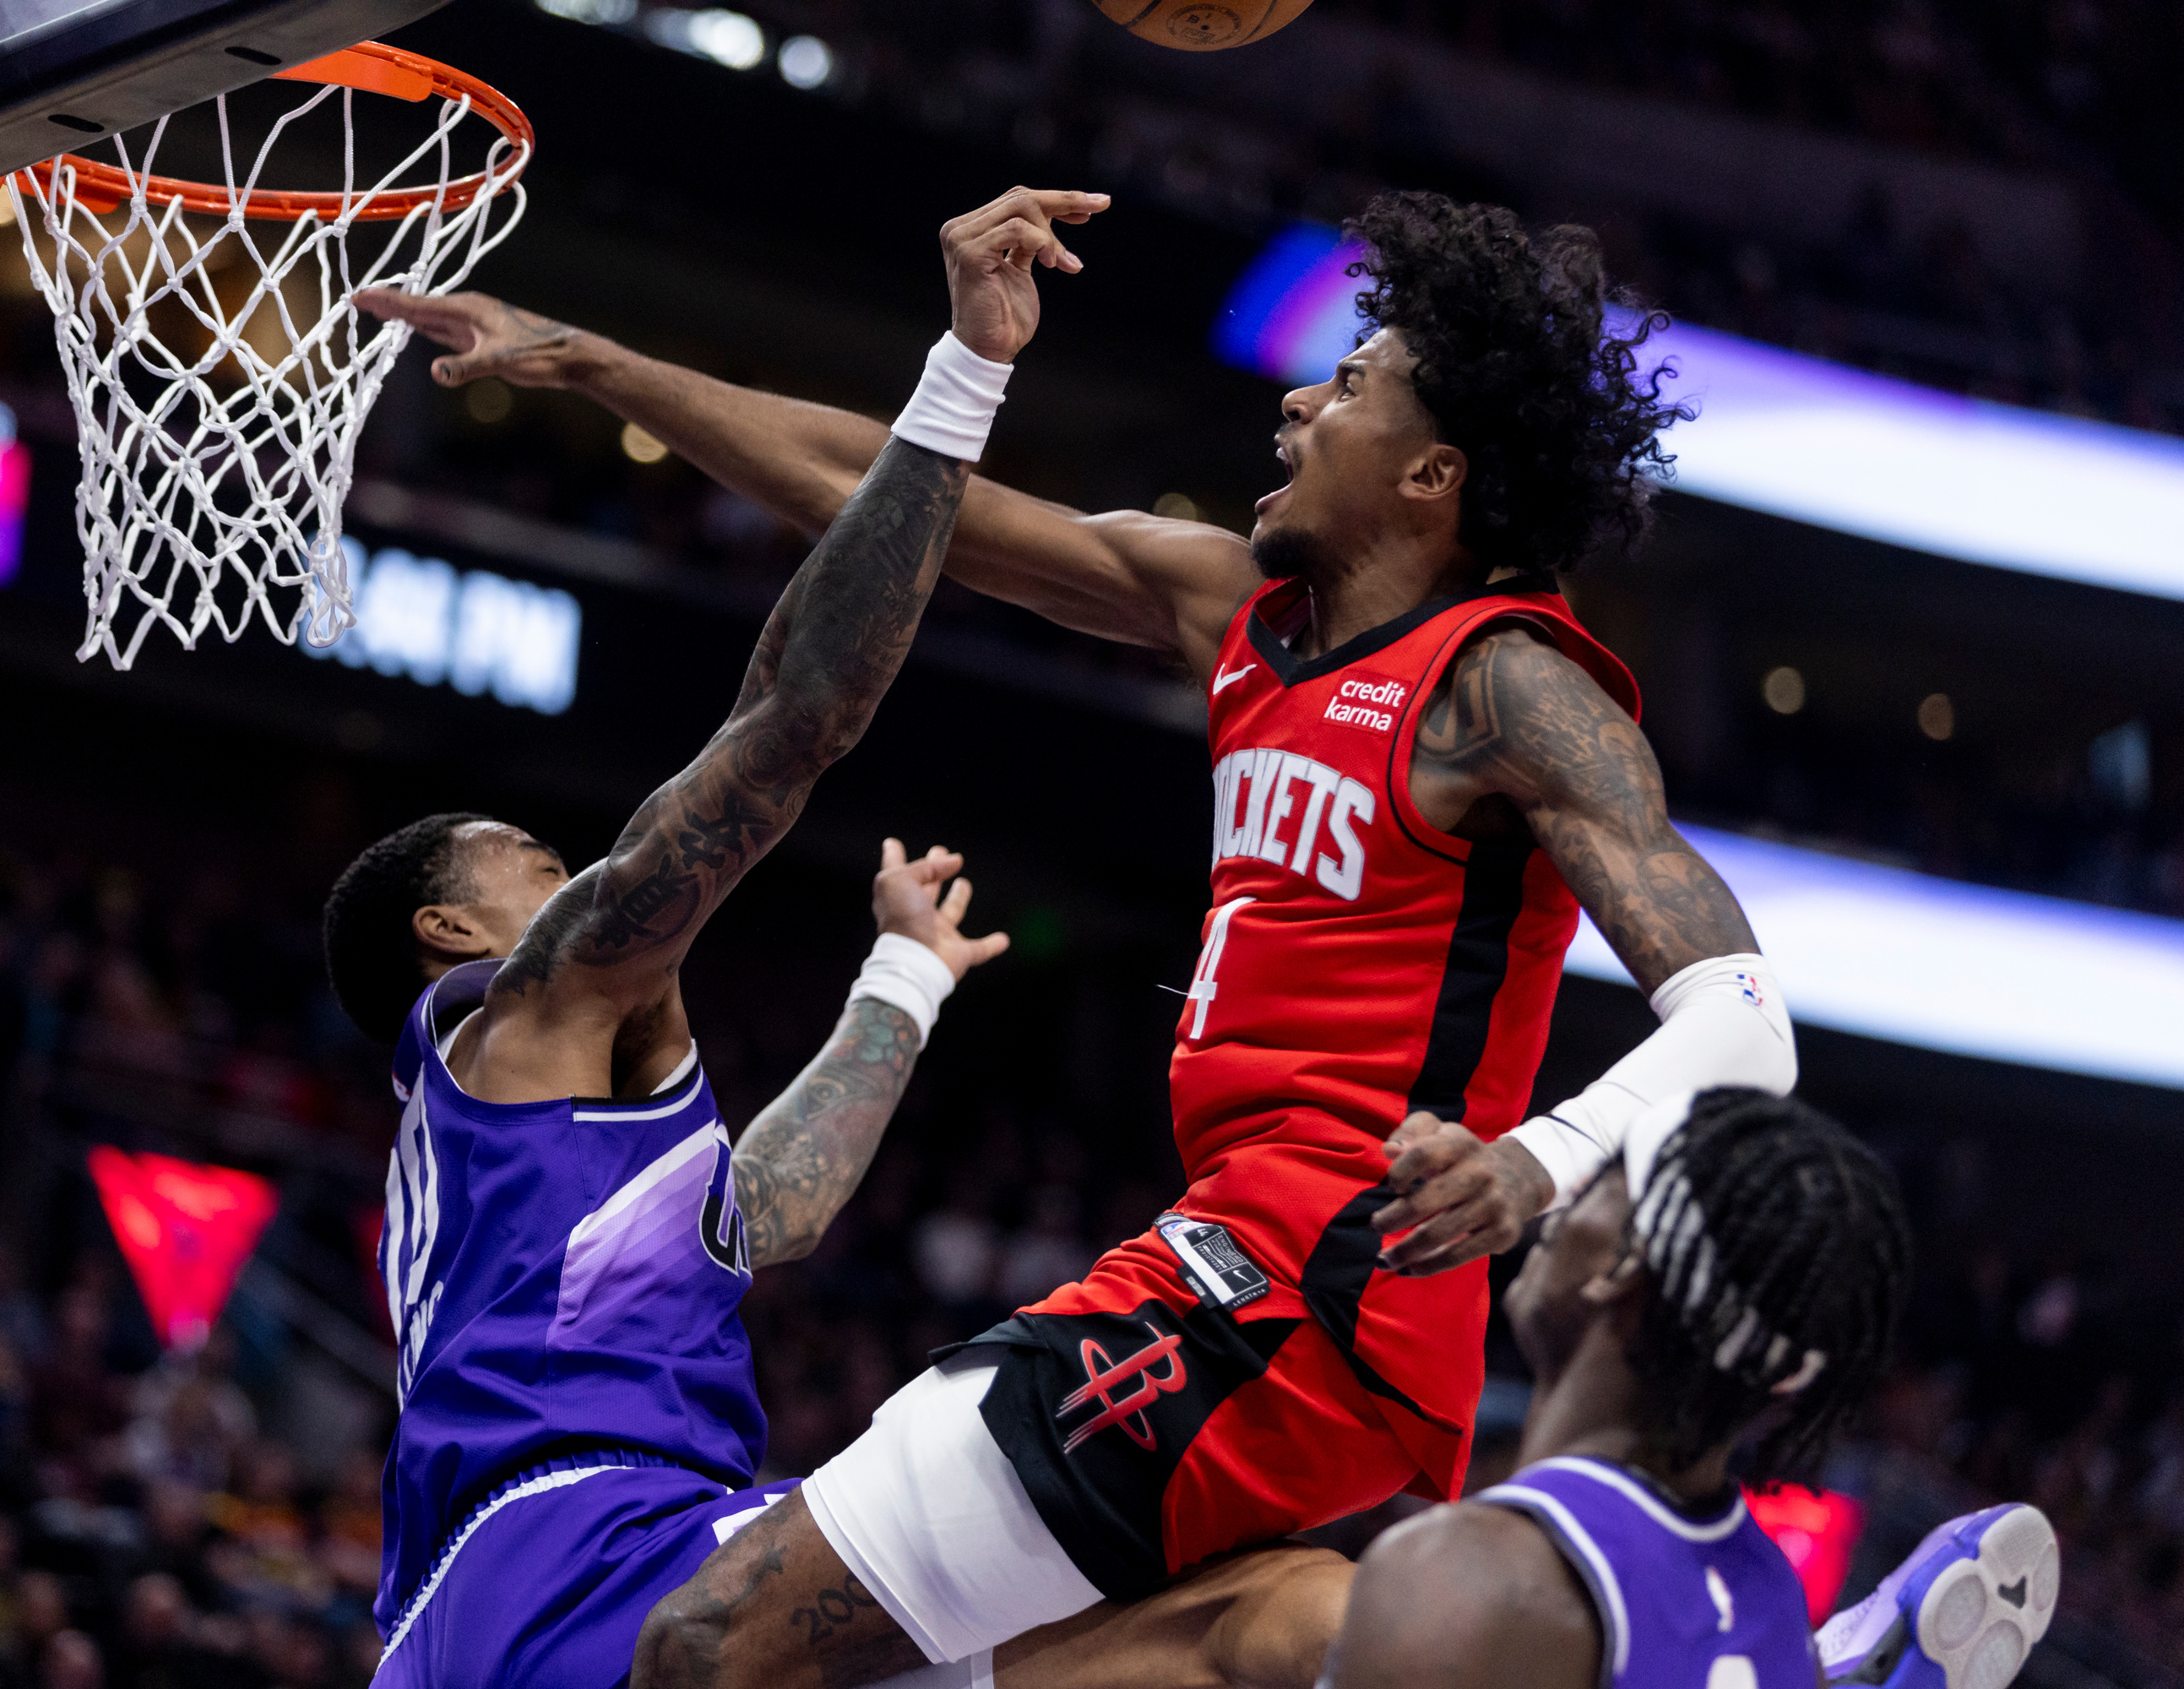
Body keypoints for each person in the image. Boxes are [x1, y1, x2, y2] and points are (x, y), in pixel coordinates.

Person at [374, 187, 1799, 1683]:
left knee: (715, 1644)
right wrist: (602, 363)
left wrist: (1536, 1162)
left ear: (1434, 471)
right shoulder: (1245, 616)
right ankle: (1748, 1658)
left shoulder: (1505, 686)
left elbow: (1744, 1013)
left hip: (1305, 1273)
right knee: (1219, 1649)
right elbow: (887, 492)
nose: (1302, 399)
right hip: (1299, 1295)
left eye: (1354, 385)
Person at [336, 187, 1091, 1687]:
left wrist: (902, 984)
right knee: (1177, 1610)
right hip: (569, 1550)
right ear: (449, 931)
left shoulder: (554, 1146)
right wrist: (967, 368)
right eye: (543, 862)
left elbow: (767, 1218)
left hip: (545, 1581)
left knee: (1201, 1637)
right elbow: (793, 716)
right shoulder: (519, 1018)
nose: (588, 873)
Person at [905, 1089, 2058, 1689]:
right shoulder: (1759, 1587)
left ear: (1618, 1270)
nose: (1552, 1204)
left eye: (1600, 1181)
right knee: (1253, 1614)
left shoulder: (1469, 1583)